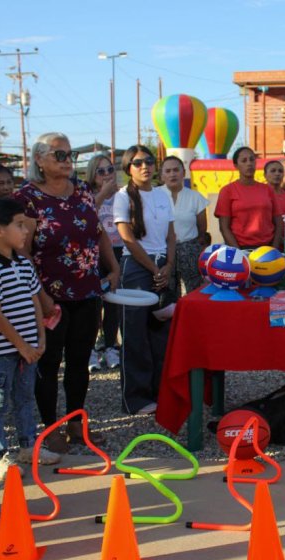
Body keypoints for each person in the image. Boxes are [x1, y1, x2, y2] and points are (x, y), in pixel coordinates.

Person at [14, 132, 119, 453]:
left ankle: (76, 422)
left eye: (70, 154)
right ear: (39, 159)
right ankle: (50, 427)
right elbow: (23, 250)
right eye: (59, 155)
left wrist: (113, 267)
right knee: (48, 364)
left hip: (86, 291)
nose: (67, 160)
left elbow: (96, 232)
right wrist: (40, 296)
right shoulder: (27, 198)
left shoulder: (83, 190)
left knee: (79, 360)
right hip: (49, 296)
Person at [0, 198, 61, 479]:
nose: (26, 231)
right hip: (3, 352)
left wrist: (40, 339)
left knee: (25, 398)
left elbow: (35, 302)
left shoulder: (23, 264)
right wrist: (21, 346)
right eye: (19, 225)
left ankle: (28, 446)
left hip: (29, 349)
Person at [114, 145, 175, 416]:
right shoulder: (122, 197)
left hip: (163, 265)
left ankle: (160, 392)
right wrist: (153, 268)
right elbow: (127, 238)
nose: (144, 167)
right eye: (137, 163)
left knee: (161, 333)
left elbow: (171, 235)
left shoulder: (163, 194)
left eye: (149, 161)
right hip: (136, 268)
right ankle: (135, 399)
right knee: (135, 334)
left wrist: (168, 266)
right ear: (128, 168)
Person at [86, 153, 122, 373]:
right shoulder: (86, 195)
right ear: (93, 174)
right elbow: (87, 215)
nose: (107, 174)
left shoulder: (122, 195)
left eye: (110, 169)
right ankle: (90, 349)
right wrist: (102, 194)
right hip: (93, 253)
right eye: (101, 171)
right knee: (93, 304)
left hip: (117, 251)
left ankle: (110, 346)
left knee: (113, 302)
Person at [158, 155, 209, 294]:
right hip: (162, 250)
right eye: (168, 171)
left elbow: (202, 228)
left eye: (176, 170)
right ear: (162, 175)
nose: (172, 174)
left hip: (190, 249)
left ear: (184, 173)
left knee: (194, 290)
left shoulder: (196, 197)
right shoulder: (155, 195)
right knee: (166, 292)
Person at [215, 147, 281, 250]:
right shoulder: (227, 191)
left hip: (267, 249)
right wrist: (238, 252)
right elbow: (224, 227)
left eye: (252, 159)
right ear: (236, 165)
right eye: (244, 160)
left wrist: (274, 249)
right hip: (240, 248)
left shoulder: (268, 190)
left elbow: (279, 223)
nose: (249, 163)